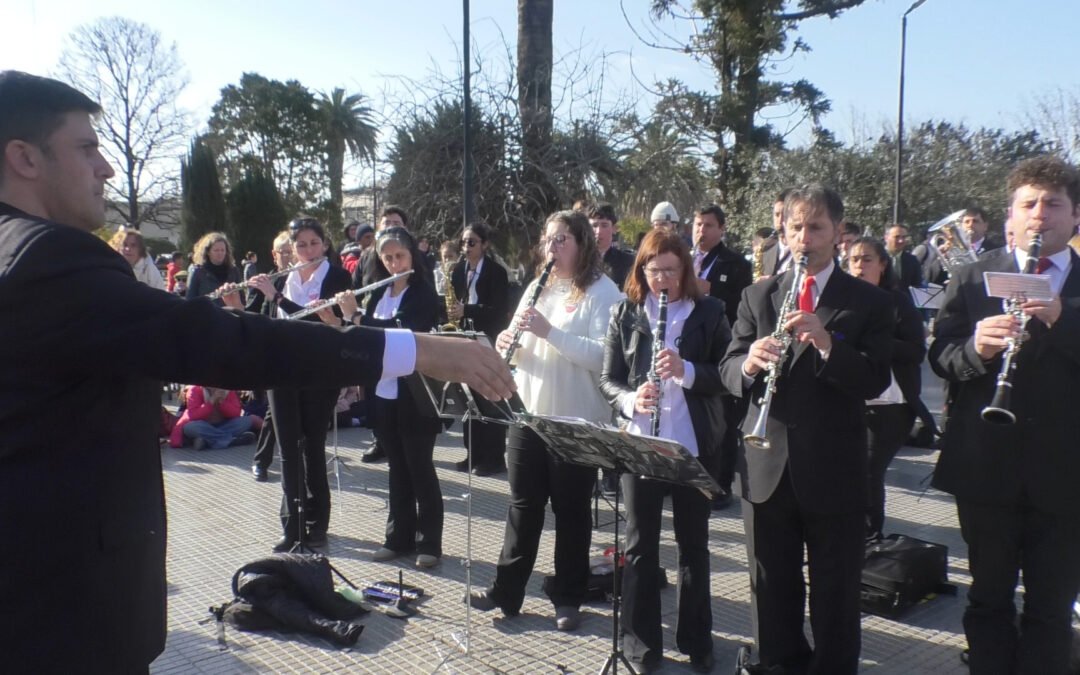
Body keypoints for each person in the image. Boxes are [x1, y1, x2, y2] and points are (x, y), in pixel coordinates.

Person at [0, 70, 515, 674]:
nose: (106, 168)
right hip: (60, 614)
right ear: (24, 158)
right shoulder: (49, 258)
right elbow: (225, 344)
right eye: (86, 148)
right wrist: (414, 349)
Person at [718, 184, 893, 674]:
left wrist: (827, 344)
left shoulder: (866, 302)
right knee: (770, 586)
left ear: (838, 232)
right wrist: (749, 364)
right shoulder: (758, 295)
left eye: (815, 227)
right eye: (795, 226)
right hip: (766, 463)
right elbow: (729, 370)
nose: (804, 237)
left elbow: (876, 379)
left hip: (833, 469)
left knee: (835, 591)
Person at [930, 156, 1080, 675]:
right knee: (988, 600)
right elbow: (940, 356)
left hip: (1065, 473)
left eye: (1053, 204)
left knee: (1052, 608)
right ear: (1010, 215)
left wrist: (1064, 321)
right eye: (1028, 204)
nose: (1040, 215)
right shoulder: (974, 276)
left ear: (1075, 216)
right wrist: (977, 348)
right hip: (986, 468)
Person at [470, 210, 624, 630]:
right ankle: (507, 590)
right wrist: (508, 342)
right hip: (529, 412)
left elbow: (603, 357)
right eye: (549, 240)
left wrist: (549, 332)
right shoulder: (538, 288)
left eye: (562, 240)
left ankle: (569, 596)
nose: (553, 248)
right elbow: (521, 348)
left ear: (581, 244)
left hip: (575, 419)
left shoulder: (603, 292)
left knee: (571, 511)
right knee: (523, 505)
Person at [599, 228, 730, 673]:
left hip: (693, 446)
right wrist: (631, 399)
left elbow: (727, 376)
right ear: (642, 271)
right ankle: (640, 645)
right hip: (642, 445)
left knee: (694, 546)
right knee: (639, 548)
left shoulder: (710, 312)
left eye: (671, 270)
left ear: (685, 270)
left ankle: (697, 640)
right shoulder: (625, 312)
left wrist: (687, 369)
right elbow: (608, 380)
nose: (662, 279)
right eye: (653, 271)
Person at [334, 227, 444, 569]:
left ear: (412, 256)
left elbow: (399, 334)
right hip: (384, 391)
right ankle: (398, 537)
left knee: (419, 467)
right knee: (396, 467)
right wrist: (338, 320)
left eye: (400, 256)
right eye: (388, 258)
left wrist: (355, 316)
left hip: (415, 392)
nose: (395, 264)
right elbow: (366, 337)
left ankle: (430, 543)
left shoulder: (423, 294)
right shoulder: (378, 293)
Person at [243, 217, 353, 551]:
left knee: (313, 448)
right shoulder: (285, 277)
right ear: (292, 248)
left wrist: (275, 296)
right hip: (282, 369)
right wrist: (239, 304)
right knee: (288, 449)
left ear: (325, 244)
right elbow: (263, 321)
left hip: (319, 372)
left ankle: (317, 523)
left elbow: (309, 321)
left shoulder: (337, 276)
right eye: (301, 245)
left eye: (314, 244)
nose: (308, 251)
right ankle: (292, 525)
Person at [846, 237, 931, 541]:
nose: (859, 266)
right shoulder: (842, 299)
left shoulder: (898, 302)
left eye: (867, 259)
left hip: (890, 405)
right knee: (849, 473)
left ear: (882, 265)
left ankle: (870, 540)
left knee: (868, 473)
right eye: (853, 259)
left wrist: (876, 342)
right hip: (850, 401)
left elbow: (916, 351)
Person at [690, 204, 751, 509]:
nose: (702, 230)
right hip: (689, 347)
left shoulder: (735, 263)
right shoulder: (684, 258)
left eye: (709, 225)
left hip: (720, 348)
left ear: (722, 229)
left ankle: (721, 484)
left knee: (722, 420)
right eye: (698, 224)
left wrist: (710, 289)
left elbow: (743, 305)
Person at [449, 222, 511, 475]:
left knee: (490, 397)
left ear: (485, 245)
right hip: (465, 337)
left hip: (488, 338)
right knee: (468, 397)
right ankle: (472, 453)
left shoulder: (496, 273)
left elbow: (498, 311)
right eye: (463, 242)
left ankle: (494, 457)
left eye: (472, 242)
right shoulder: (458, 270)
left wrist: (468, 310)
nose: (466, 247)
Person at [167, 385, 258, 450]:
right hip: (203, 425)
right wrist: (211, 402)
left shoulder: (227, 390)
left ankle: (207, 441)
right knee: (190, 427)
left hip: (223, 425)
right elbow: (193, 416)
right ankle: (231, 441)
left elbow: (236, 414)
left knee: (247, 421)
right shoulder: (195, 389)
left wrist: (222, 403)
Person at [185, 231, 241, 302]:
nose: (220, 253)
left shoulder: (233, 271)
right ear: (208, 252)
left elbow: (241, 298)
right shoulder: (198, 272)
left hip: (229, 312)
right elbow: (190, 299)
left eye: (222, 250)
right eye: (216, 250)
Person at [588, 202, 634, 289]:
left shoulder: (627, 262)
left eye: (604, 225)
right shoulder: (577, 260)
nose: (598, 231)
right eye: (594, 225)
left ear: (614, 229)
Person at [758, 188, 794, 278]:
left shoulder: (807, 252)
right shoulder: (765, 254)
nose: (780, 220)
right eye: (777, 214)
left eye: (785, 215)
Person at [884, 223, 924, 290]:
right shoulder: (876, 257)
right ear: (886, 238)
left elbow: (917, 286)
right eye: (896, 237)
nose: (901, 241)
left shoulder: (912, 260)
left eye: (904, 237)